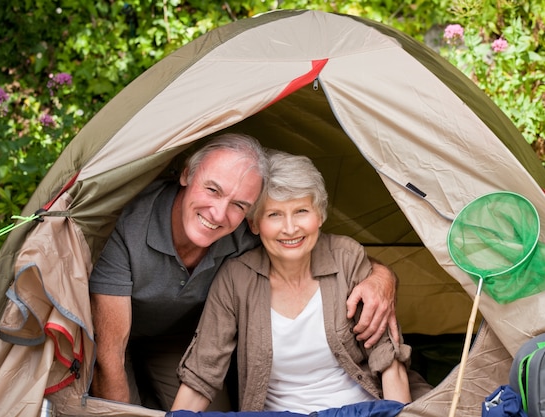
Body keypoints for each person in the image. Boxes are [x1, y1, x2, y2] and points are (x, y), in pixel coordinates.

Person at [89, 134, 399, 410]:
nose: (219, 214)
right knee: (117, 399)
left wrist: (382, 278)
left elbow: (324, 252)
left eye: (239, 204)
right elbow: (109, 356)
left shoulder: (250, 232)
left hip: (181, 337)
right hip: (116, 334)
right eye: (212, 189)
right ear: (186, 174)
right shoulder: (128, 227)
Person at [172, 151, 418, 413]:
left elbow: (388, 359)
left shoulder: (346, 257)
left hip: (360, 411)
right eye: (274, 215)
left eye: (301, 211)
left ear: (320, 215)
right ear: (254, 224)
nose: (290, 228)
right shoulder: (236, 278)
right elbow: (202, 373)